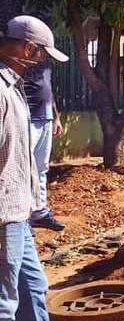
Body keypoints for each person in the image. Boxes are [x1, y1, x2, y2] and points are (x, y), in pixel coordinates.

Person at [0, 15, 71, 321]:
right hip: (3, 217)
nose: (41, 63)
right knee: (3, 305)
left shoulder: (14, 87)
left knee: (32, 288)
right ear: (28, 49)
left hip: (20, 211)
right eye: (42, 55)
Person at [25, 60, 65, 231]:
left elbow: (48, 92)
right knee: (24, 168)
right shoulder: (21, 62)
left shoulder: (46, 64)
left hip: (46, 119)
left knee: (41, 167)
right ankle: (21, 218)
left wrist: (56, 117)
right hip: (28, 120)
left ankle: (39, 212)